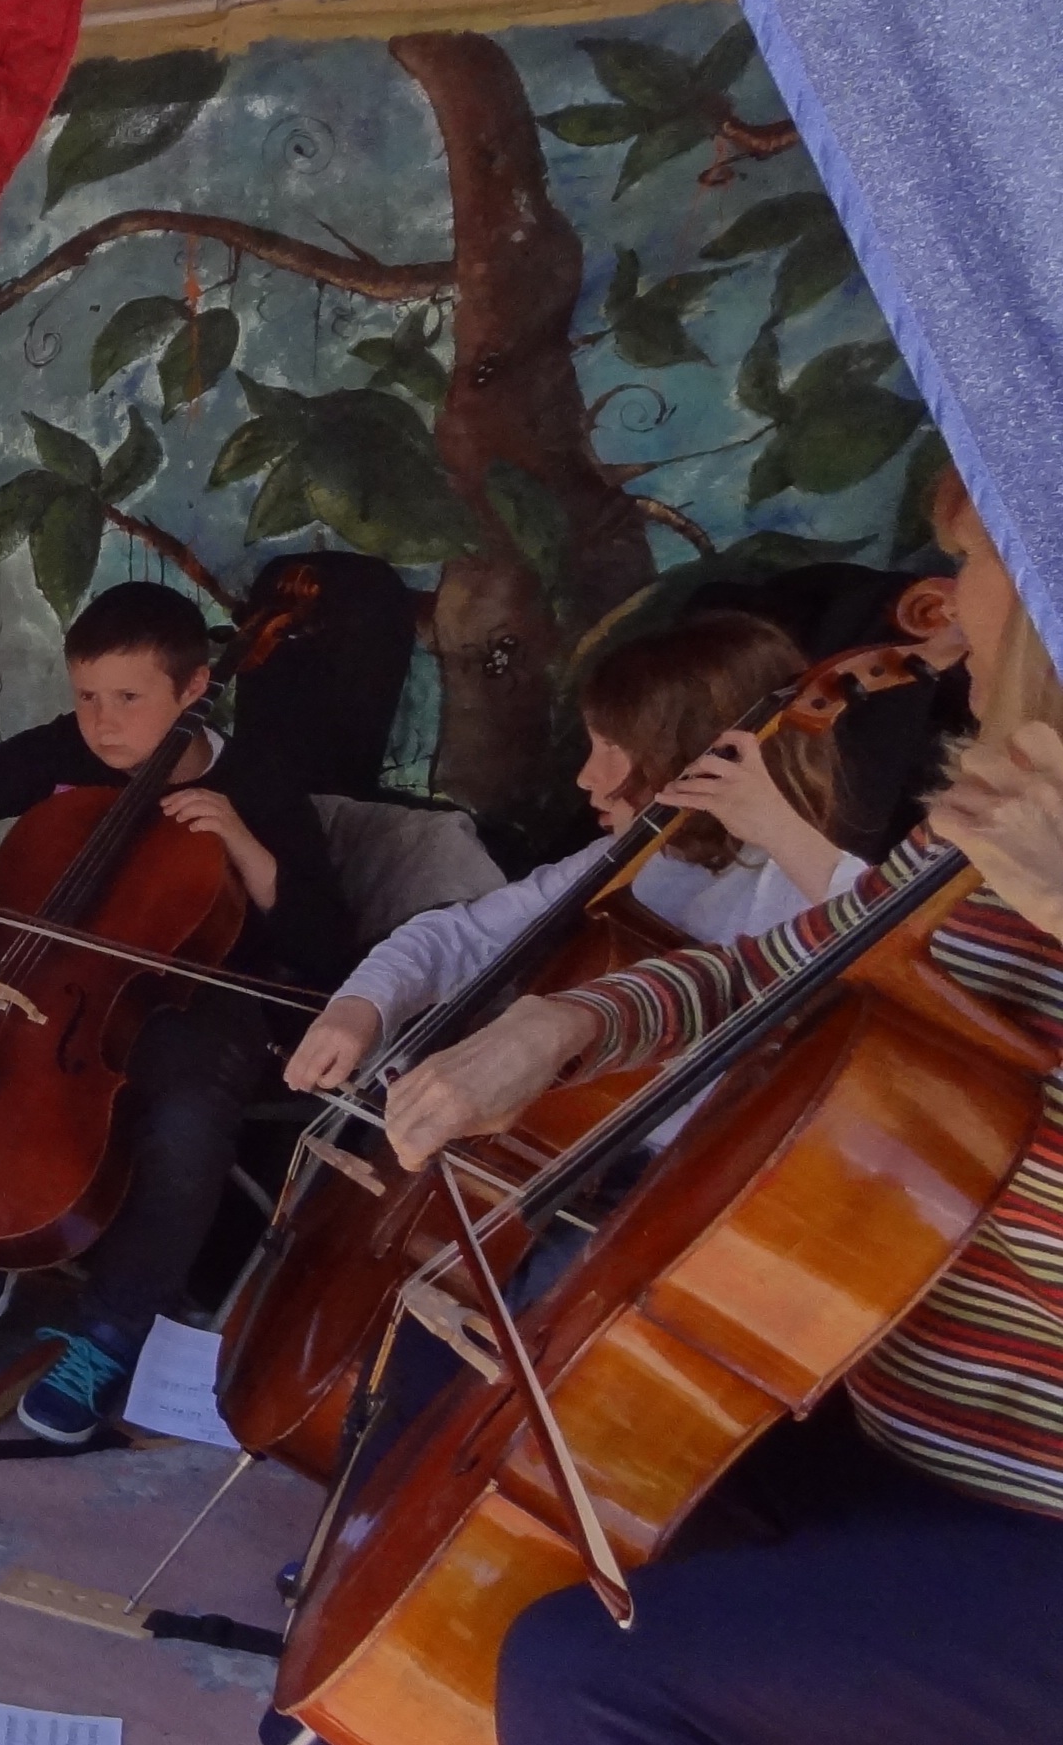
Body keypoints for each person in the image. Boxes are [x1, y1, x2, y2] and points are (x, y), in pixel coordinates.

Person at [375, 473, 1063, 1745]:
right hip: (886, 1412)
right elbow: (791, 962)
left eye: (967, 563)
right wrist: (565, 1023)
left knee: (585, 1672)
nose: (945, 609)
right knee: (520, 1409)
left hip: (1032, 1513)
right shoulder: (988, 819)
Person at [0, 578, 353, 1442]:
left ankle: (113, 1328)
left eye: (129, 698)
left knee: (189, 1114)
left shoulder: (258, 777)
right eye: (87, 695)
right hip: (47, 975)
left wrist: (241, 839)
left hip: (200, 999)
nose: (103, 721)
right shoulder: (67, 752)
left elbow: (324, 942)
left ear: (195, 688)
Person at [284, 608, 864, 1098]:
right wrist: (358, 1008)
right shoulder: (640, 859)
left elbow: (899, 939)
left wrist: (782, 830)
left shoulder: (809, 886)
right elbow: (458, 937)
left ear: (689, 752)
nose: (588, 778)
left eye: (614, 748)